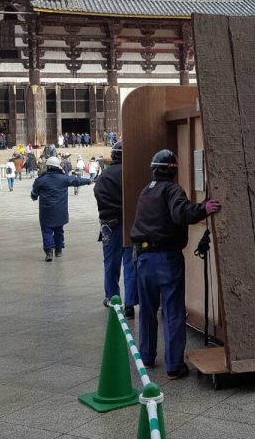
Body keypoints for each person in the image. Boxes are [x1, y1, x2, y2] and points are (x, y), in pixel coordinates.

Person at [131, 149, 221, 378]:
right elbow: (181, 214)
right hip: (165, 258)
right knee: (173, 311)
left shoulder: (145, 191)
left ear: (154, 170)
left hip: (142, 258)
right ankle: (173, 366)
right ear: (174, 172)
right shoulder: (172, 190)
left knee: (148, 311)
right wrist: (204, 208)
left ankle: (147, 358)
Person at [93, 141, 138, 319]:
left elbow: (98, 194)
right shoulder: (131, 174)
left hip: (109, 225)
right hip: (129, 223)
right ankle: (130, 304)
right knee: (130, 264)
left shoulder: (104, 176)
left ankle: (112, 298)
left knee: (111, 263)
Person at [31, 155, 92, 261]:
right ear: (58, 167)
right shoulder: (64, 178)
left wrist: (34, 196)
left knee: (46, 230)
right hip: (60, 210)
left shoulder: (40, 180)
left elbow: (34, 193)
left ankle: (49, 252)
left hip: (46, 211)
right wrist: (88, 181)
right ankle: (58, 250)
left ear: (48, 166)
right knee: (59, 229)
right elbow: (76, 180)